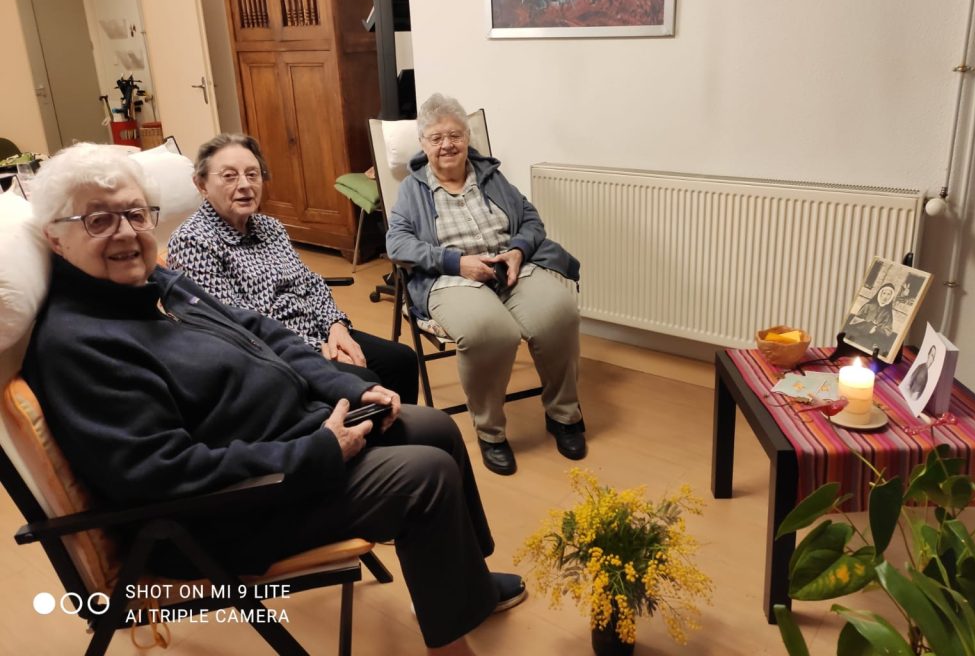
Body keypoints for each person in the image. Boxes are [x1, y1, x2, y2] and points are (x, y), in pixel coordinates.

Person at [22, 143, 524, 655]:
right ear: (55, 239)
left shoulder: (157, 283)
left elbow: (259, 329)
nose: (127, 233)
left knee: (434, 427)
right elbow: (161, 474)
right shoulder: (77, 345)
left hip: (290, 437)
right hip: (228, 509)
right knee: (424, 476)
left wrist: (346, 384)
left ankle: (467, 586)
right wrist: (317, 452)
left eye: (134, 214)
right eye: (98, 220)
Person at [386, 93, 586, 477]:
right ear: (423, 144)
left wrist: (517, 250)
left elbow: (531, 221)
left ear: (467, 138)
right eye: (436, 137)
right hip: (452, 276)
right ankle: (491, 432)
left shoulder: (491, 176)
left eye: (455, 135)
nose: (447, 144)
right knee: (490, 333)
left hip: (509, 267)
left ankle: (563, 415)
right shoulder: (413, 190)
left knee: (559, 313)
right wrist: (456, 261)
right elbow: (398, 245)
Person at [166, 133, 419, 406]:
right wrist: (314, 350)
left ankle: (403, 435)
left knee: (401, 360)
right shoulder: (192, 241)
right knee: (363, 379)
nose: (245, 185)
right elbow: (236, 326)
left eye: (253, 174)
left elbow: (310, 283)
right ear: (201, 184)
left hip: (317, 331)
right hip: (268, 356)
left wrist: (336, 327)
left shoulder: (270, 227)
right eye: (229, 176)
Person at [843, 282, 896, 353]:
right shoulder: (868, 306)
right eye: (884, 293)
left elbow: (888, 331)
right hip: (858, 333)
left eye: (889, 294)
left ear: (891, 297)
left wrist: (876, 330)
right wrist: (868, 326)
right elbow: (855, 320)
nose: (885, 296)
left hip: (874, 339)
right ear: (880, 293)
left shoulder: (888, 314)